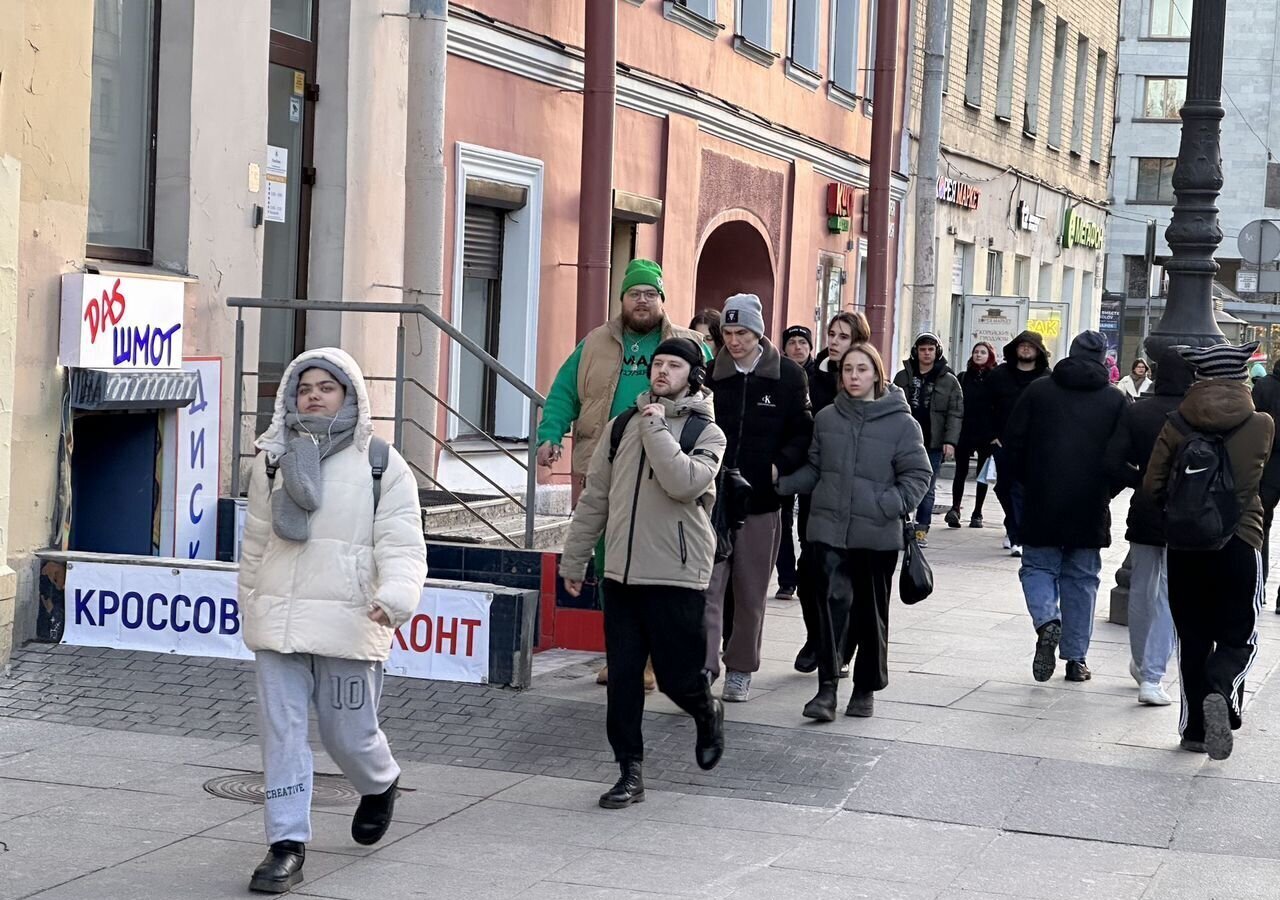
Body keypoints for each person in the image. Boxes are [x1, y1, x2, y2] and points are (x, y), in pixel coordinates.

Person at [238, 349, 428, 893]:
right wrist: (250, 601)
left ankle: (380, 781)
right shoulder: (271, 459)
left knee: (349, 736)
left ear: (352, 396)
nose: (314, 395)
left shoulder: (382, 463)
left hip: (350, 617)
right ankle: (286, 845)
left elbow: (402, 542)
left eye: (327, 386)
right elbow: (255, 542)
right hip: (279, 618)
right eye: (304, 388)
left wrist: (394, 597)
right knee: (283, 734)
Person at [560, 338, 728, 807]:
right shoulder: (621, 427)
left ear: (693, 375)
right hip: (621, 575)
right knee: (624, 679)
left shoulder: (706, 432)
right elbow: (596, 497)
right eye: (657, 364)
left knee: (677, 678)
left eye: (674, 365)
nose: (662, 371)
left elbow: (684, 483)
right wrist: (575, 559)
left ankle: (705, 710)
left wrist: (656, 428)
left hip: (675, 573)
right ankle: (629, 771)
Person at [536, 259, 707, 687]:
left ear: (662, 300)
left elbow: (707, 404)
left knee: (653, 567)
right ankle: (622, 656)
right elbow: (563, 393)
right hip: (605, 468)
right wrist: (551, 432)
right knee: (610, 566)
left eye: (651, 293)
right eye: (635, 293)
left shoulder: (686, 344)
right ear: (623, 299)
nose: (643, 300)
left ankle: (652, 662)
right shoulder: (594, 343)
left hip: (663, 477)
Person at [778, 344, 931, 719]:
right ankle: (826, 690)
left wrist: (888, 504)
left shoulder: (901, 422)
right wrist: (779, 483)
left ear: (877, 374)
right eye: (847, 370)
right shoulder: (828, 417)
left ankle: (865, 688)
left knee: (870, 613)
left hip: (877, 534)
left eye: (862, 369)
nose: (854, 376)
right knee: (830, 609)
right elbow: (816, 469)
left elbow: (919, 474)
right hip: (828, 530)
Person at [1145, 341, 1273, 760]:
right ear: (1241, 377)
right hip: (1240, 539)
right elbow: (1253, 482)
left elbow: (1152, 486)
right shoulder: (1260, 423)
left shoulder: (1177, 422)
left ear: (1198, 377)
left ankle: (1195, 731)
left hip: (1185, 544)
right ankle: (1221, 688)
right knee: (1240, 636)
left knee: (1193, 637)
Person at [704, 293, 813, 702]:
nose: (734, 341)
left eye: (743, 333)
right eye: (728, 333)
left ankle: (740, 669)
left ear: (759, 333)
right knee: (709, 590)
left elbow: (803, 431)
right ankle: (704, 666)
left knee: (750, 593)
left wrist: (778, 466)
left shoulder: (788, 375)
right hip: (712, 500)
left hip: (761, 502)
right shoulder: (712, 374)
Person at [1004, 331, 1126, 684]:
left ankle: (1047, 621)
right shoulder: (1114, 400)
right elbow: (1120, 456)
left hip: (1042, 497)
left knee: (1037, 567)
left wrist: (1023, 485)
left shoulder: (1039, 390)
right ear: (1104, 358)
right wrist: (1105, 490)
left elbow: (1013, 444)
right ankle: (1076, 659)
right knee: (1082, 579)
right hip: (1089, 503)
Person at [1104, 345, 1194, 706]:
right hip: (1185, 510)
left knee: (1142, 586)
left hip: (1144, 507)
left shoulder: (1138, 411)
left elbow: (1112, 461)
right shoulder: (1192, 415)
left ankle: (1141, 663)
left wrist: (1141, 480)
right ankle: (1152, 674)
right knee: (1172, 593)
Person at [791, 311, 871, 675]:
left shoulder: (869, 381)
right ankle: (816, 637)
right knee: (809, 569)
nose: (835, 341)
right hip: (817, 488)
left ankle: (840, 647)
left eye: (844, 335)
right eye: (832, 334)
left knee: (848, 577)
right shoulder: (811, 377)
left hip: (857, 494)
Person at [892, 333, 963, 548]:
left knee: (927, 487)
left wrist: (950, 441)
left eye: (931, 349)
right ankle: (901, 526)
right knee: (899, 483)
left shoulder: (949, 380)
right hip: (903, 440)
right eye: (923, 349)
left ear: (937, 352)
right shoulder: (902, 378)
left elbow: (955, 412)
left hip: (933, 441)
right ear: (916, 351)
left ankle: (922, 528)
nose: (926, 353)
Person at [986, 331, 1051, 557]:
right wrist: (991, 436)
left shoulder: (1046, 378)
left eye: (1030, 346)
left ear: (1038, 350)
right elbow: (984, 407)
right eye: (1021, 345)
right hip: (1003, 443)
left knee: (1021, 489)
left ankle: (1017, 535)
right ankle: (1012, 524)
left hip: (1034, 446)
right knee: (1004, 487)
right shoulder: (999, 375)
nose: (1025, 349)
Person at [774, 324, 818, 600]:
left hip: (813, 459)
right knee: (783, 520)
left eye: (803, 342)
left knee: (808, 524)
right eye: (792, 343)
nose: (798, 347)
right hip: (786, 457)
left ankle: (806, 574)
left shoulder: (823, 376)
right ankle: (787, 579)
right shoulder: (777, 374)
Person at [946, 341, 998, 529]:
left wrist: (996, 433)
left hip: (986, 433)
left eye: (983, 352)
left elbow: (998, 407)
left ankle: (977, 512)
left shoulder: (995, 378)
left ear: (990, 356)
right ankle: (955, 509)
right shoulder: (963, 377)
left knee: (982, 475)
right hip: (965, 431)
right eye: (976, 351)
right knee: (960, 471)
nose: (978, 355)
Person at [1251, 356, 1280, 610]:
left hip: (1267, 464)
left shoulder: (1264, 386)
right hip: (1269, 463)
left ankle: (1257, 588)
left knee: (1260, 527)